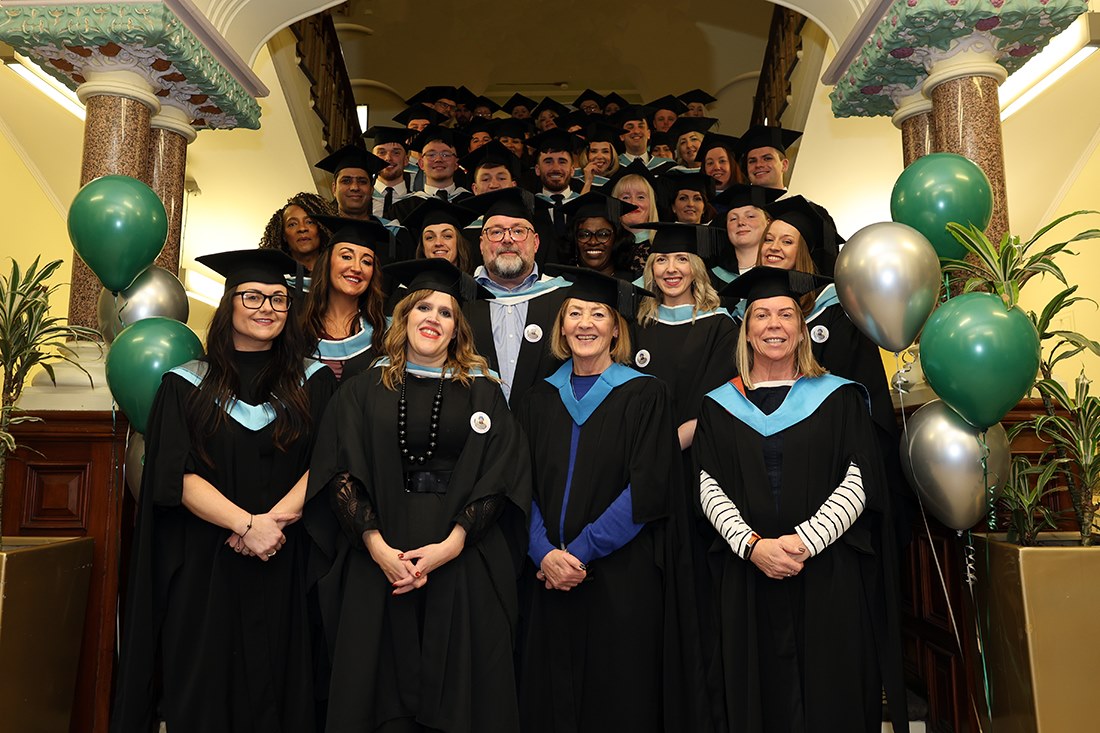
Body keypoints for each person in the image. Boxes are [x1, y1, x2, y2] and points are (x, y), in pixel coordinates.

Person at [111, 248, 337, 733]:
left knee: (281, 681)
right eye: (252, 296)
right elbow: (174, 474)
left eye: (278, 299)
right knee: (206, 683)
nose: (267, 308)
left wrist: (270, 525)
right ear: (230, 304)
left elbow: (327, 464)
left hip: (284, 555)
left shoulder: (313, 383)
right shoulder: (186, 384)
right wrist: (244, 524)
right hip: (207, 560)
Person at [306, 257, 532, 733]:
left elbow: (501, 474)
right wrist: (377, 548)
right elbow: (340, 470)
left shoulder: (484, 393)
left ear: (457, 330)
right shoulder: (363, 390)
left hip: (461, 557)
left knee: (461, 694)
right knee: (378, 690)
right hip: (380, 556)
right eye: (423, 308)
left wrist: (451, 546)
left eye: (446, 313)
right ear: (403, 317)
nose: (433, 318)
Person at [693, 265, 909, 733]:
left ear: (802, 328)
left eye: (786, 315)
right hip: (747, 571)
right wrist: (753, 546)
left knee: (832, 694)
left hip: (826, 572)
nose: (774, 326)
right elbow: (708, 486)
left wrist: (803, 543)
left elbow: (859, 481)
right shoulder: (717, 405)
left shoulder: (839, 397)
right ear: (747, 332)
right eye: (762, 316)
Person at [517, 265, 705, 733]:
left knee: (618, 696)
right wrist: (542, 552)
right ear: (560, 326)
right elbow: (519, 484)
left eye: (597, 314)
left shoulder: (646, 394)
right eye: (574, 313)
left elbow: (647, 487)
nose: (585, 323)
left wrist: (576, 555)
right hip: (546, 575)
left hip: (620, 574)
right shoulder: (536, 399)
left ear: (615, 328)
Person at [757, 195, 910, 541]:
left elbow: (860, 392)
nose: (773, 247)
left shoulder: (836, 312)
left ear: (805, 252)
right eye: (768, 239)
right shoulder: (753, 317)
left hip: (833, 463)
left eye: (786, 240)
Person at [464, 188, 570, 407]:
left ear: (536, 242)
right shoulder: (457, 300)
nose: (508, 240)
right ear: (481, 243)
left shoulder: (565, 299)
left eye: (519, 231)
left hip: (546, 431)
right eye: (496, 232)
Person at [305, 215, 392, 381]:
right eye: (346, 256)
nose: (357, 268)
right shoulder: (298, 332)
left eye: (366, 262)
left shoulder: (386, 333)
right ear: (328, 262)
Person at [708, 184, 784, 286]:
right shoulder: (710, 277)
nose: (741, 222)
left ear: (768, 222)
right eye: (733, 219)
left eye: (750, 216)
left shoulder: (782, 271)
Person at [560, 191, 638, 278]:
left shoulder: (634, 286)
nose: (593, 242)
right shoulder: (559, 287)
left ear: (617, 239)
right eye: (584, 235)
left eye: (603, 234)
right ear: (574, 240)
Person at [258, 191, 334, 278]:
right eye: (292, 224)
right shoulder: (275, 279)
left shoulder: (339, 273)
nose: (302, 228)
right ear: (283, 235)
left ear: (321, 228)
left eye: (309, 222)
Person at [396, 196, 479, 273]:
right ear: (423, 247)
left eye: (447, 236)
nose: (438, 243)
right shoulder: (409, 287)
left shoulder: (475, 286)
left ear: (459, 243)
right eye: (430, 237)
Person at [606, 160, 661, 272]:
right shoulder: (605, 245)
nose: (633, 203)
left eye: (641, 197)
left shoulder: (663, 245)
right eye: (625, 197)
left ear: (651, 204)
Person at [315, 144, 390, 220]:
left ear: (371, 190)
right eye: (346, 181)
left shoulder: (389, 230)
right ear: (334, 188)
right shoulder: (320, 229)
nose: (355, 187)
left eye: (362, 181)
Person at [366, 126, 414, 220]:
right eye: (381, 152)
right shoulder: (360, 199)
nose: (388, 158)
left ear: (406, 160)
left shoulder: (417, 202)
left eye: (396, 153)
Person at [735, 124, 802, 190]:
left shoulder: (799, 201)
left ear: (784, 165)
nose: (758, 165)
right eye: (752, 161)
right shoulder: (736, 200)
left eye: (767, 158)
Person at [697, 132, 744, 198]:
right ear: (704, 169)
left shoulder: (745, 198)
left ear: (732, 166)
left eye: (722, 161)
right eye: (710, 163)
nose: (716, 167)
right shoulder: (698, 202)